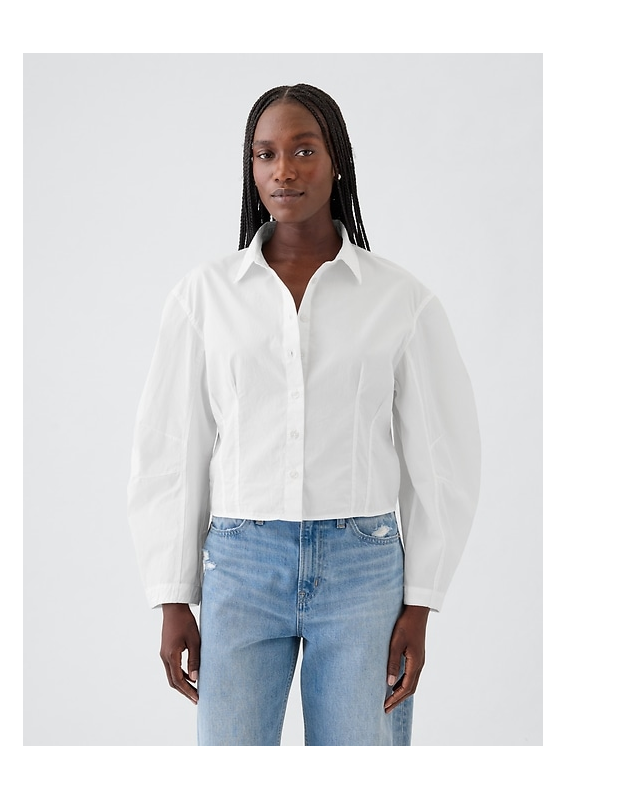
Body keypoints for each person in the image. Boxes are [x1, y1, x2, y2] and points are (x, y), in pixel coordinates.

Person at [127, 83, 481, 746]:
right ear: (251, 168)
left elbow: (442, 458)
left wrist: (422, 601)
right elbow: (172, 450)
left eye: (304, 150)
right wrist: (172, 595)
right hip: (240, 565)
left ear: (336, 160)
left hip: (362, 569)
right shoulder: (204, 297)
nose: (283, 170)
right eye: (265, 154)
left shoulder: (399, 299)